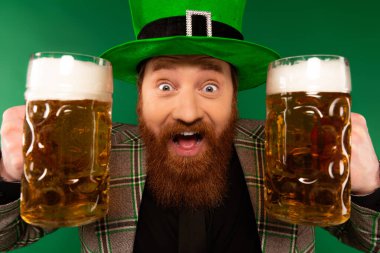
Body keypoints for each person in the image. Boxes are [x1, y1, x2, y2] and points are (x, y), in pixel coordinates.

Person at [0, 0, 379, 252]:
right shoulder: (93, 154)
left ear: (234, 97)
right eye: (165, 86)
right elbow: (10, 235)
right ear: (139, 97)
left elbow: (369, 237)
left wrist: (369, 190)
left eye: (210, 86)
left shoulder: (290, 152)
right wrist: (5, 177)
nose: (187, 111)